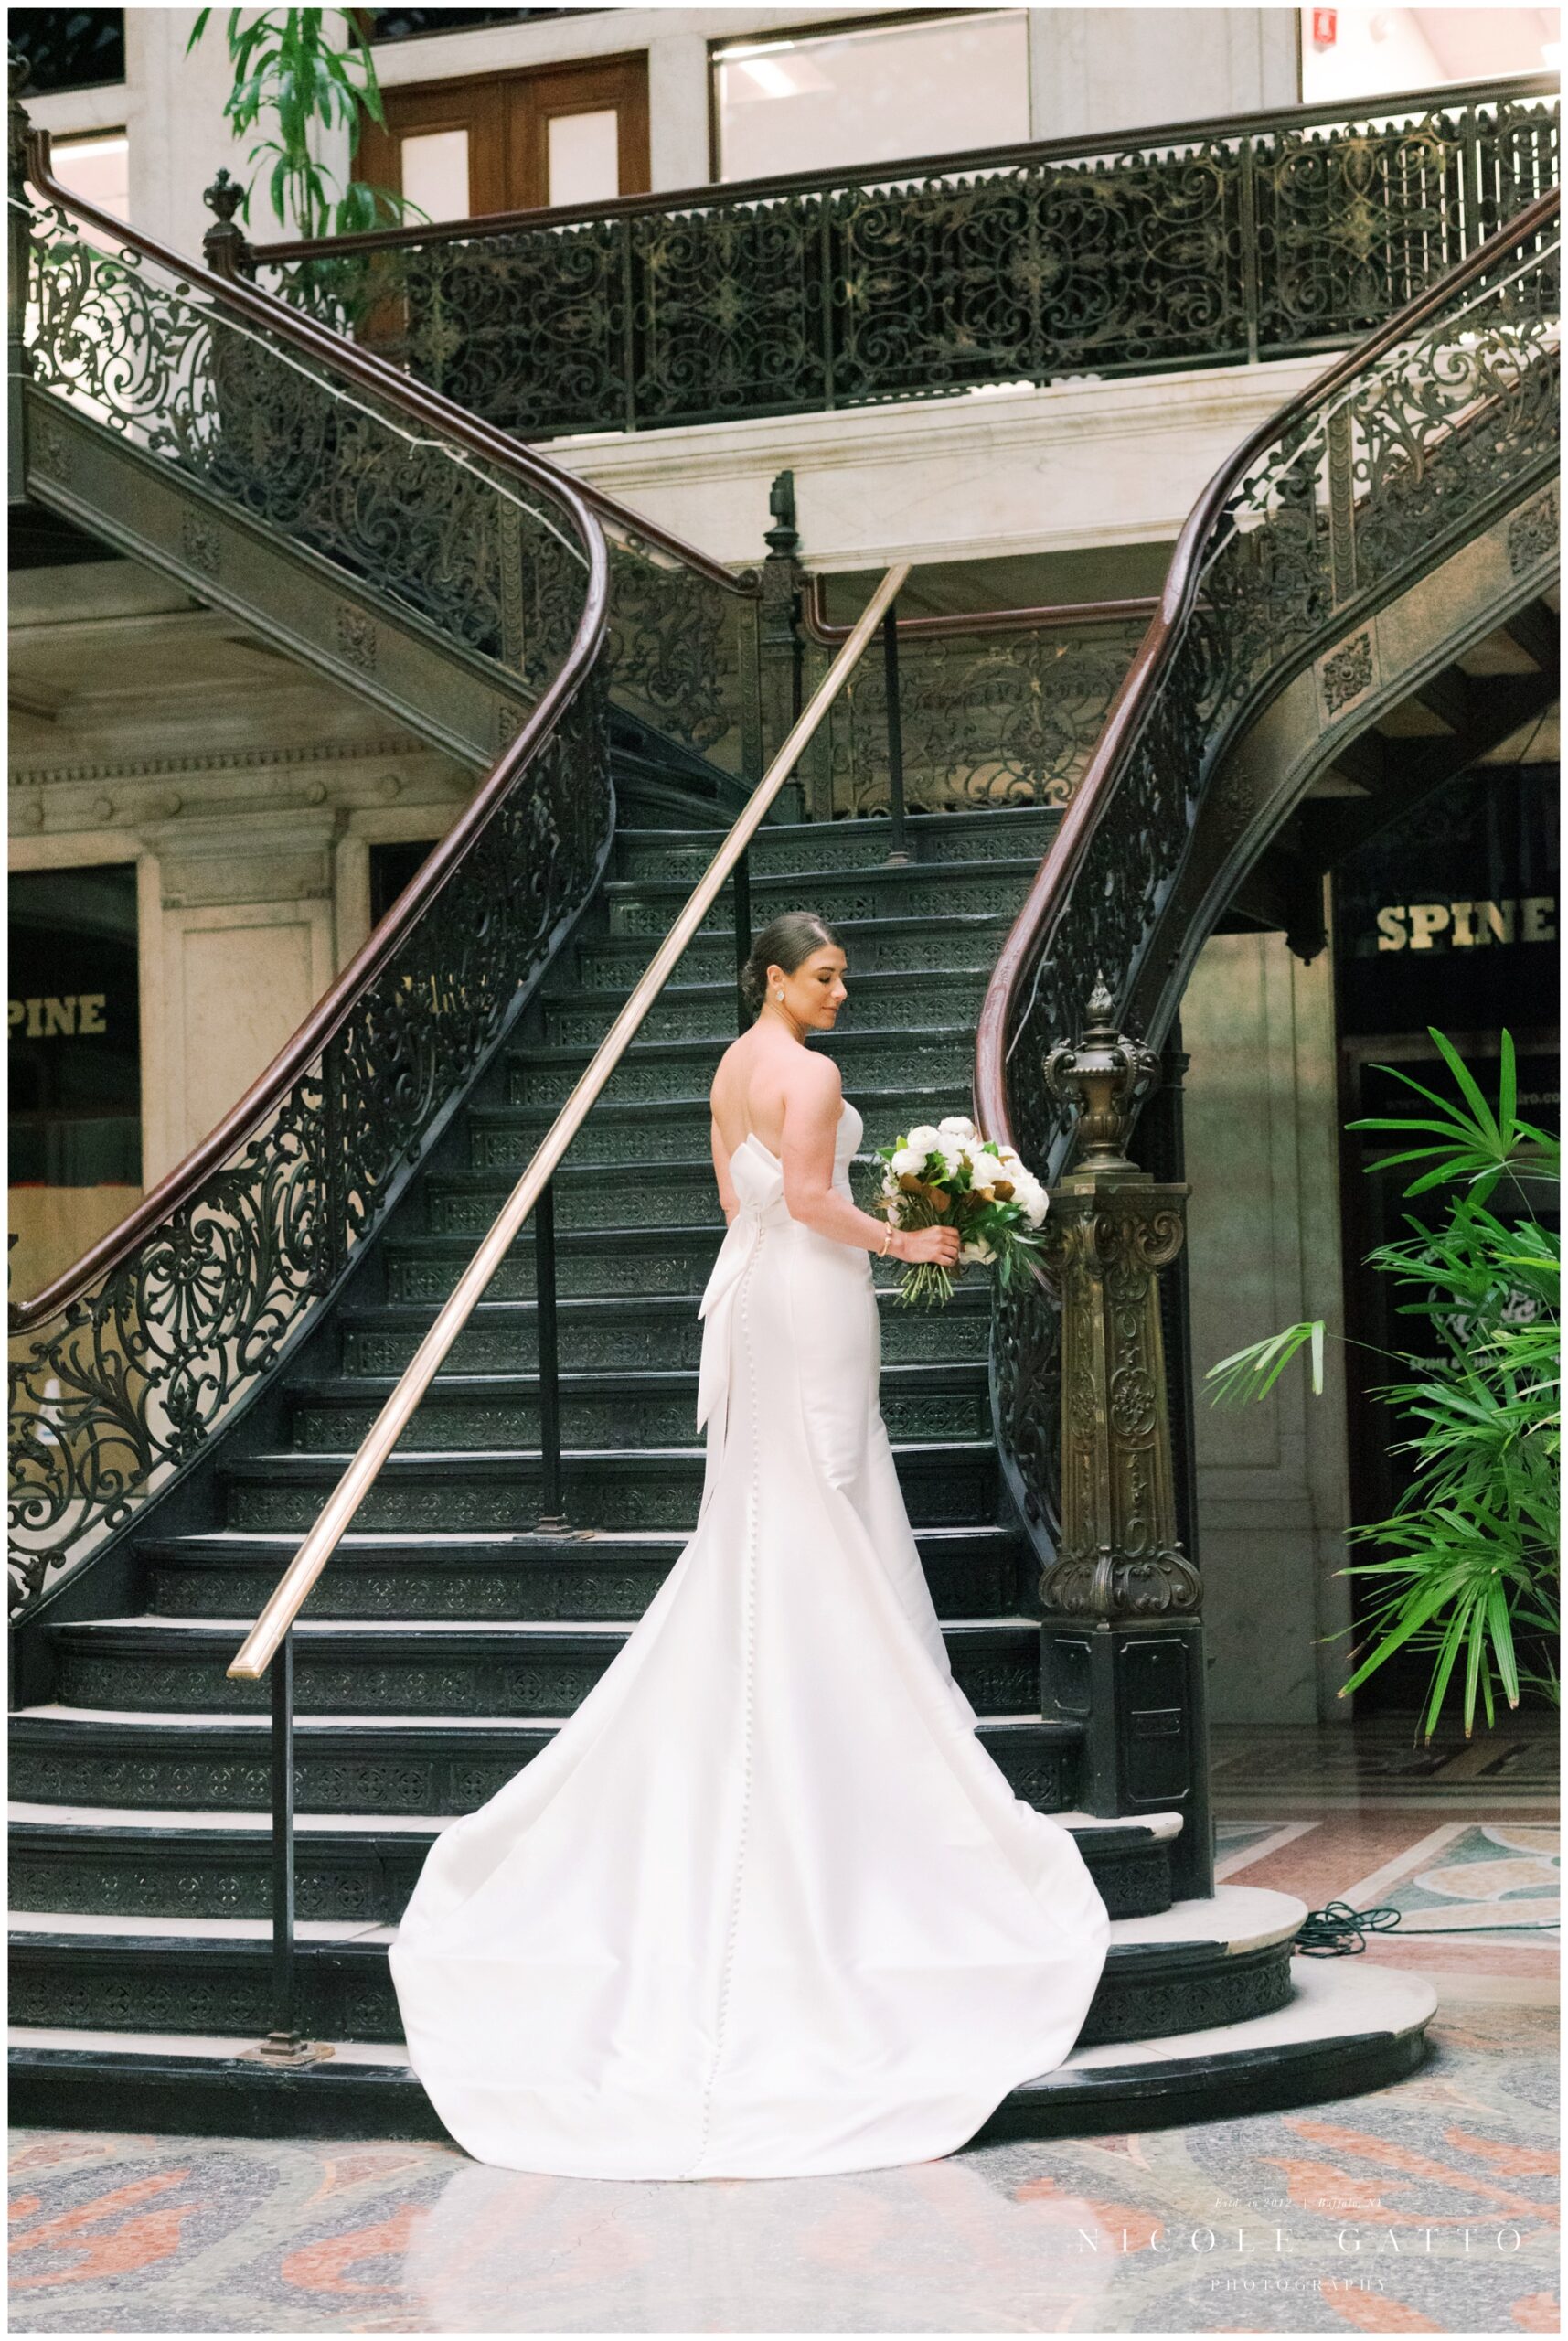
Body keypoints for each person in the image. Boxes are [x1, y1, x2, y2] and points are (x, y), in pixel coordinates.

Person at [389, 910, 1111, 2180]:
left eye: (843, 971)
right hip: (815, 1297)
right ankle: (832, 1718)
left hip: (750, 1295)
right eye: (825, 973)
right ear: (776, 977)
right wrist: (916, 1238)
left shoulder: (730, 1065)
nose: (844, 987)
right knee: (827, 1487)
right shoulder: (816, 1074)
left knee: (783, 1502)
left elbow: (743, 1197)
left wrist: (838, 1223)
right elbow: (823, 1200)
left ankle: (788, 1692)